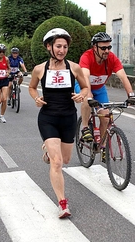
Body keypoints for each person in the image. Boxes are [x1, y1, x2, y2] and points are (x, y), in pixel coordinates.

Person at [28, 28, 90, 219]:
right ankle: (63, 203)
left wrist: (82, 95)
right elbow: (31, 87)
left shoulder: (74, 68)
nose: (62, 50)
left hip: (68, 117)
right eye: (58, 46)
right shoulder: (40, 69)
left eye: (64, 46)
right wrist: (36, 98)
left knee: (66, 159)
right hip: (48, 118)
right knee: (57, 163)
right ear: (49, 47)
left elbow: (86, 86)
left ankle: (48, 149)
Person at [76, 32, 135, 161]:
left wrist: (131, 95)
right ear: (95, 48)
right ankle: (85, 127)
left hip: (100, 88)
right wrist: (89, 95)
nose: (107, 51)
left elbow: (123, 77)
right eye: (103, 48)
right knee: (88, 98)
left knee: (105, 116)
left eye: (109, 47)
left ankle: (102, 146)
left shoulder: (112, 58)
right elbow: (85, 77)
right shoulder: (86, 57)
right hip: (83, 85)